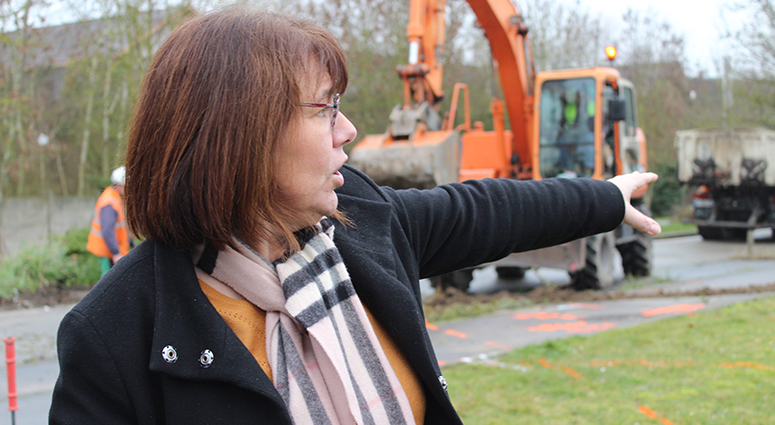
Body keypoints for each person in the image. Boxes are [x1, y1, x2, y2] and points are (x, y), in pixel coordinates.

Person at [50, 7, 660, 425]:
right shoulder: (111, 336)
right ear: (240, 136)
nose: (348, 128)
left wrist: (604, 198)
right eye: (325, 110)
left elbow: (485, 210)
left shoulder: (362, 223)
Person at [85, 165, 130, 276]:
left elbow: (117, 226)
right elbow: (107, 229)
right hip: (107, 250)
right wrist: (116, 253)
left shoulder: (113, 197)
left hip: (109, 248)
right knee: (108, 279)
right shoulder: (109, 202)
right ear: (119, 185)